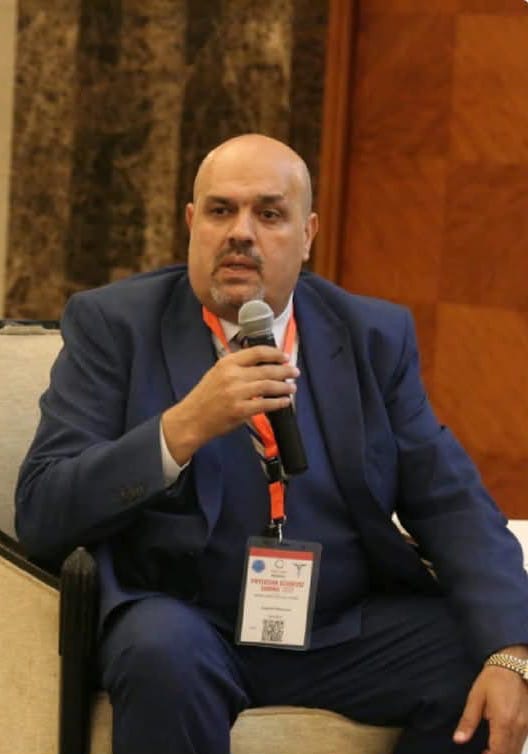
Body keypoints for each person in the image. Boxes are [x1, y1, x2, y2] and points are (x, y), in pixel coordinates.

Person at [15, 133, 528, 754]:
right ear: (191, 223)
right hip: (188, 619)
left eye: (268, 214)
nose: (241, 233)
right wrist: (182, 429)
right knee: (161, 654)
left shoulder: (370, 335)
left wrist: (510, 648)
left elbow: (449, 500)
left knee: (474, 658)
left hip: (336, 626)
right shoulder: (114, 326)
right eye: (221, 210)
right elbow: (42, 510)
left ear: (307, 235)